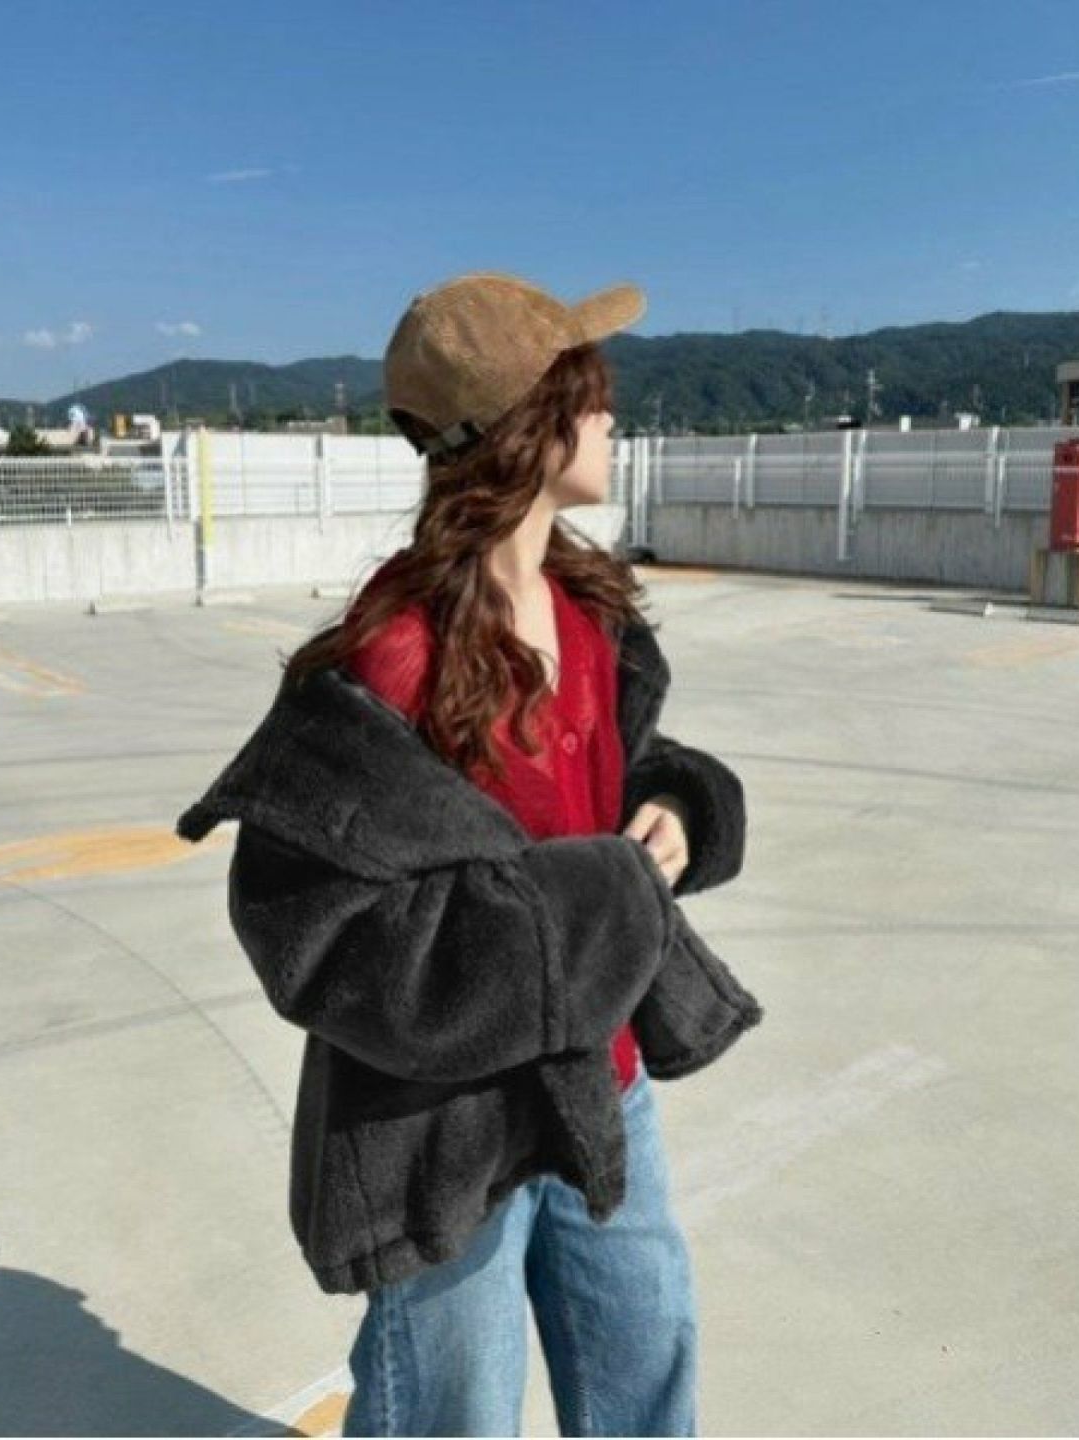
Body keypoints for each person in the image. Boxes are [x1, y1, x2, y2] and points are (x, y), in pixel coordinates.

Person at [176, 272, 761, 1436]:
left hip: (606, 1087)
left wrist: (677, 807)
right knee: (454, 1416)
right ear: (531, 425)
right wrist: (584, 902)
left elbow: (616, 768)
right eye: (589, 394)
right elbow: (314, 924)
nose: (610, 416)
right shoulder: (393, 654)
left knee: (649, 1373)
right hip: (448, 1131)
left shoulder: (589, 614)